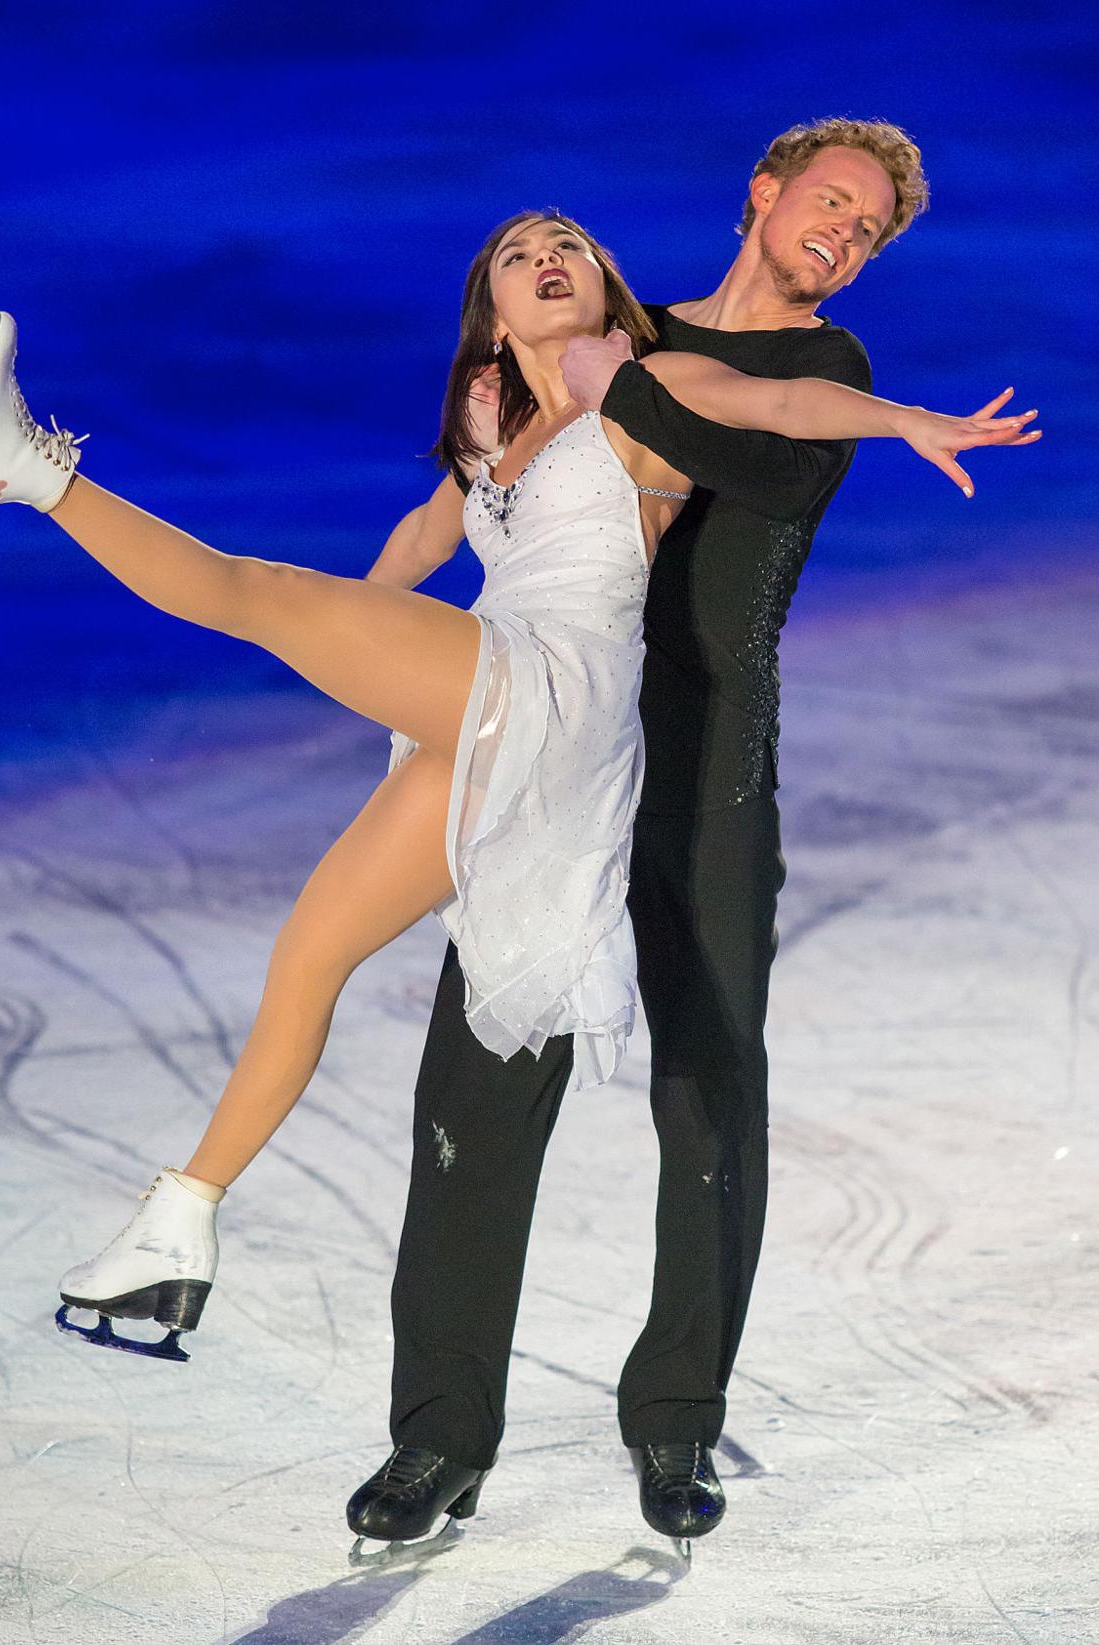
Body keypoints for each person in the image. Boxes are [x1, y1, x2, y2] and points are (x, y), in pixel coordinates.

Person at [0, 172, 1034, 1539]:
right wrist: (365, 642)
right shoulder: (502, 410)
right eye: (518, 251)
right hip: (492, 706)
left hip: (582, 704)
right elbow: (425, 534)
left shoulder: (649, 370)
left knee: (704, 1084)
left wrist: (907, 416)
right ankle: (183, 1225)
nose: (546, 256)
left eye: (568, 244)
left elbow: (786, 418)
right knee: (314, 955)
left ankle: (25, 467)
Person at [347, 119, 1035, 1554]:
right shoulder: (618, 326)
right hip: (554, 738)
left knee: (708, 1084)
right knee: (482, 1074)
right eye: (831, 199)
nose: (847, 228)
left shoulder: (820, 375)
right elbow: (482, 476)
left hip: (712, 751)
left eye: (871, 227)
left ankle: (675, 1415)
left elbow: (760, 471)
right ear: (764, 195)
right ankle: (438, 1436)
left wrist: (870, 414)